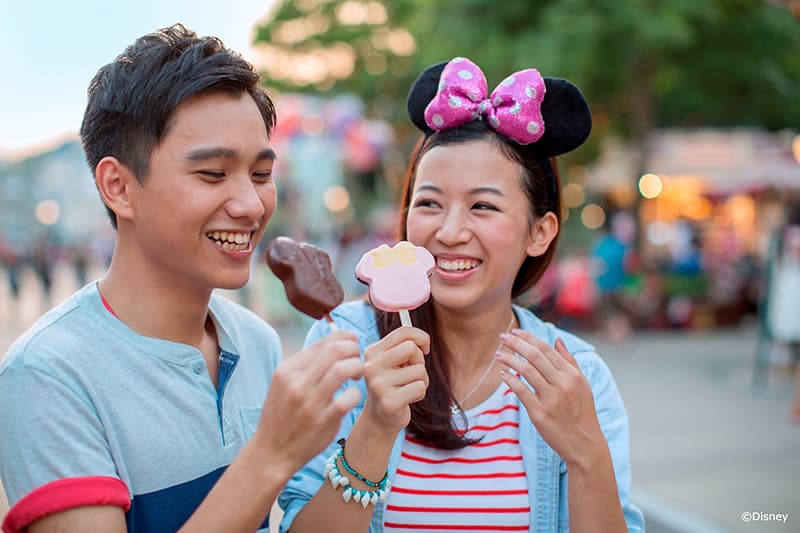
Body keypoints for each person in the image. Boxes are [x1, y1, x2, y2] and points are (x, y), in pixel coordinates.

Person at [0, 25, 363, 532]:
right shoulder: (48, 376)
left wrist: (377, 429)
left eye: (260, 174)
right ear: (119, 186)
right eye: (213, 174)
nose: (251, 204)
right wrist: (270, 455)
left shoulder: (256, 342)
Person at [279, 57, 644, 532]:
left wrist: (587, 455)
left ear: (540, 232)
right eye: (429, 203)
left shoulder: (576, 375)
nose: (449, 232)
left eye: (483, 206)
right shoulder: (346, 346)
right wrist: (373, 429)